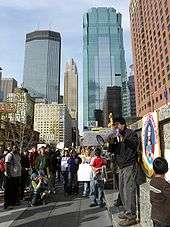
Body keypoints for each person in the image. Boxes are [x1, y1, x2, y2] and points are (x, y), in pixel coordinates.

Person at [110, 117, 139, 226]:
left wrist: (124, 139)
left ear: (123, 124)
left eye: (117, 125)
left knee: (128, 189)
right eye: (115, 125)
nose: (116, 127)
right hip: (120, 165)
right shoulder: (116, 135)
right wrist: (111, 144)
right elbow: (112, 150)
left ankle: (131, 216)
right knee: (122, 189)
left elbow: (135, 144)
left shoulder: (131, 133)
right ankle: (126, 210)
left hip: (129, 164)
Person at [150, 157, 170, 227]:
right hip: (164, 219)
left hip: (155, 215)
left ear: (154, 169)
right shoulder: (165, 185)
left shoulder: (152, 182)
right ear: (166, 170)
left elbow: (151, 200)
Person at [4, 145, 22, 209]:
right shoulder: (9, 155)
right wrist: (8, 174)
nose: (16, 149)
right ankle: (7, 204)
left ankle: (13, 202)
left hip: (16, 175)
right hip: (10, 176)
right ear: (12, 148)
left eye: (17, 148)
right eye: (15, 148)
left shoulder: (18, 155)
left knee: (15, 189)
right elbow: (6, 164)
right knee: (8, 190)